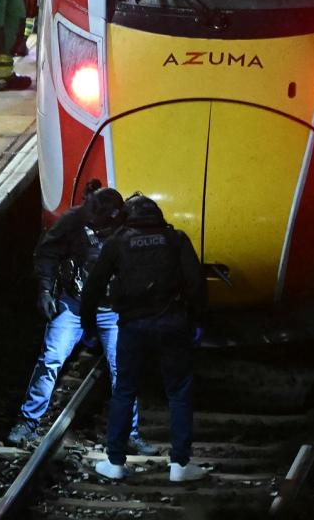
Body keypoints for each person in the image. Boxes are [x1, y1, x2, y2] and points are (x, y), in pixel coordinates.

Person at [7, 186, 155, 454]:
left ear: (114, 216)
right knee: (51, 358)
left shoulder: (132, 228)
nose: (92, 223)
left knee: (122, 370)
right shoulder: (75, 219)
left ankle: (128, 434)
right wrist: (44, 289)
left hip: (113, 309)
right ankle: (27, 422)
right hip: (74, 303)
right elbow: (48, 252)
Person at [81, 194, 208, 482]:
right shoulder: (175, 239)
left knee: (124, 391)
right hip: (173, 324)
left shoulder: (118, 243)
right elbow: (196, 283)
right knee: (178, 392)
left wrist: (89, 328)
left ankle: (115, 462)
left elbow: (93, 287)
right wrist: (199, 321)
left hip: (133, 327)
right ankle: (179, 465)